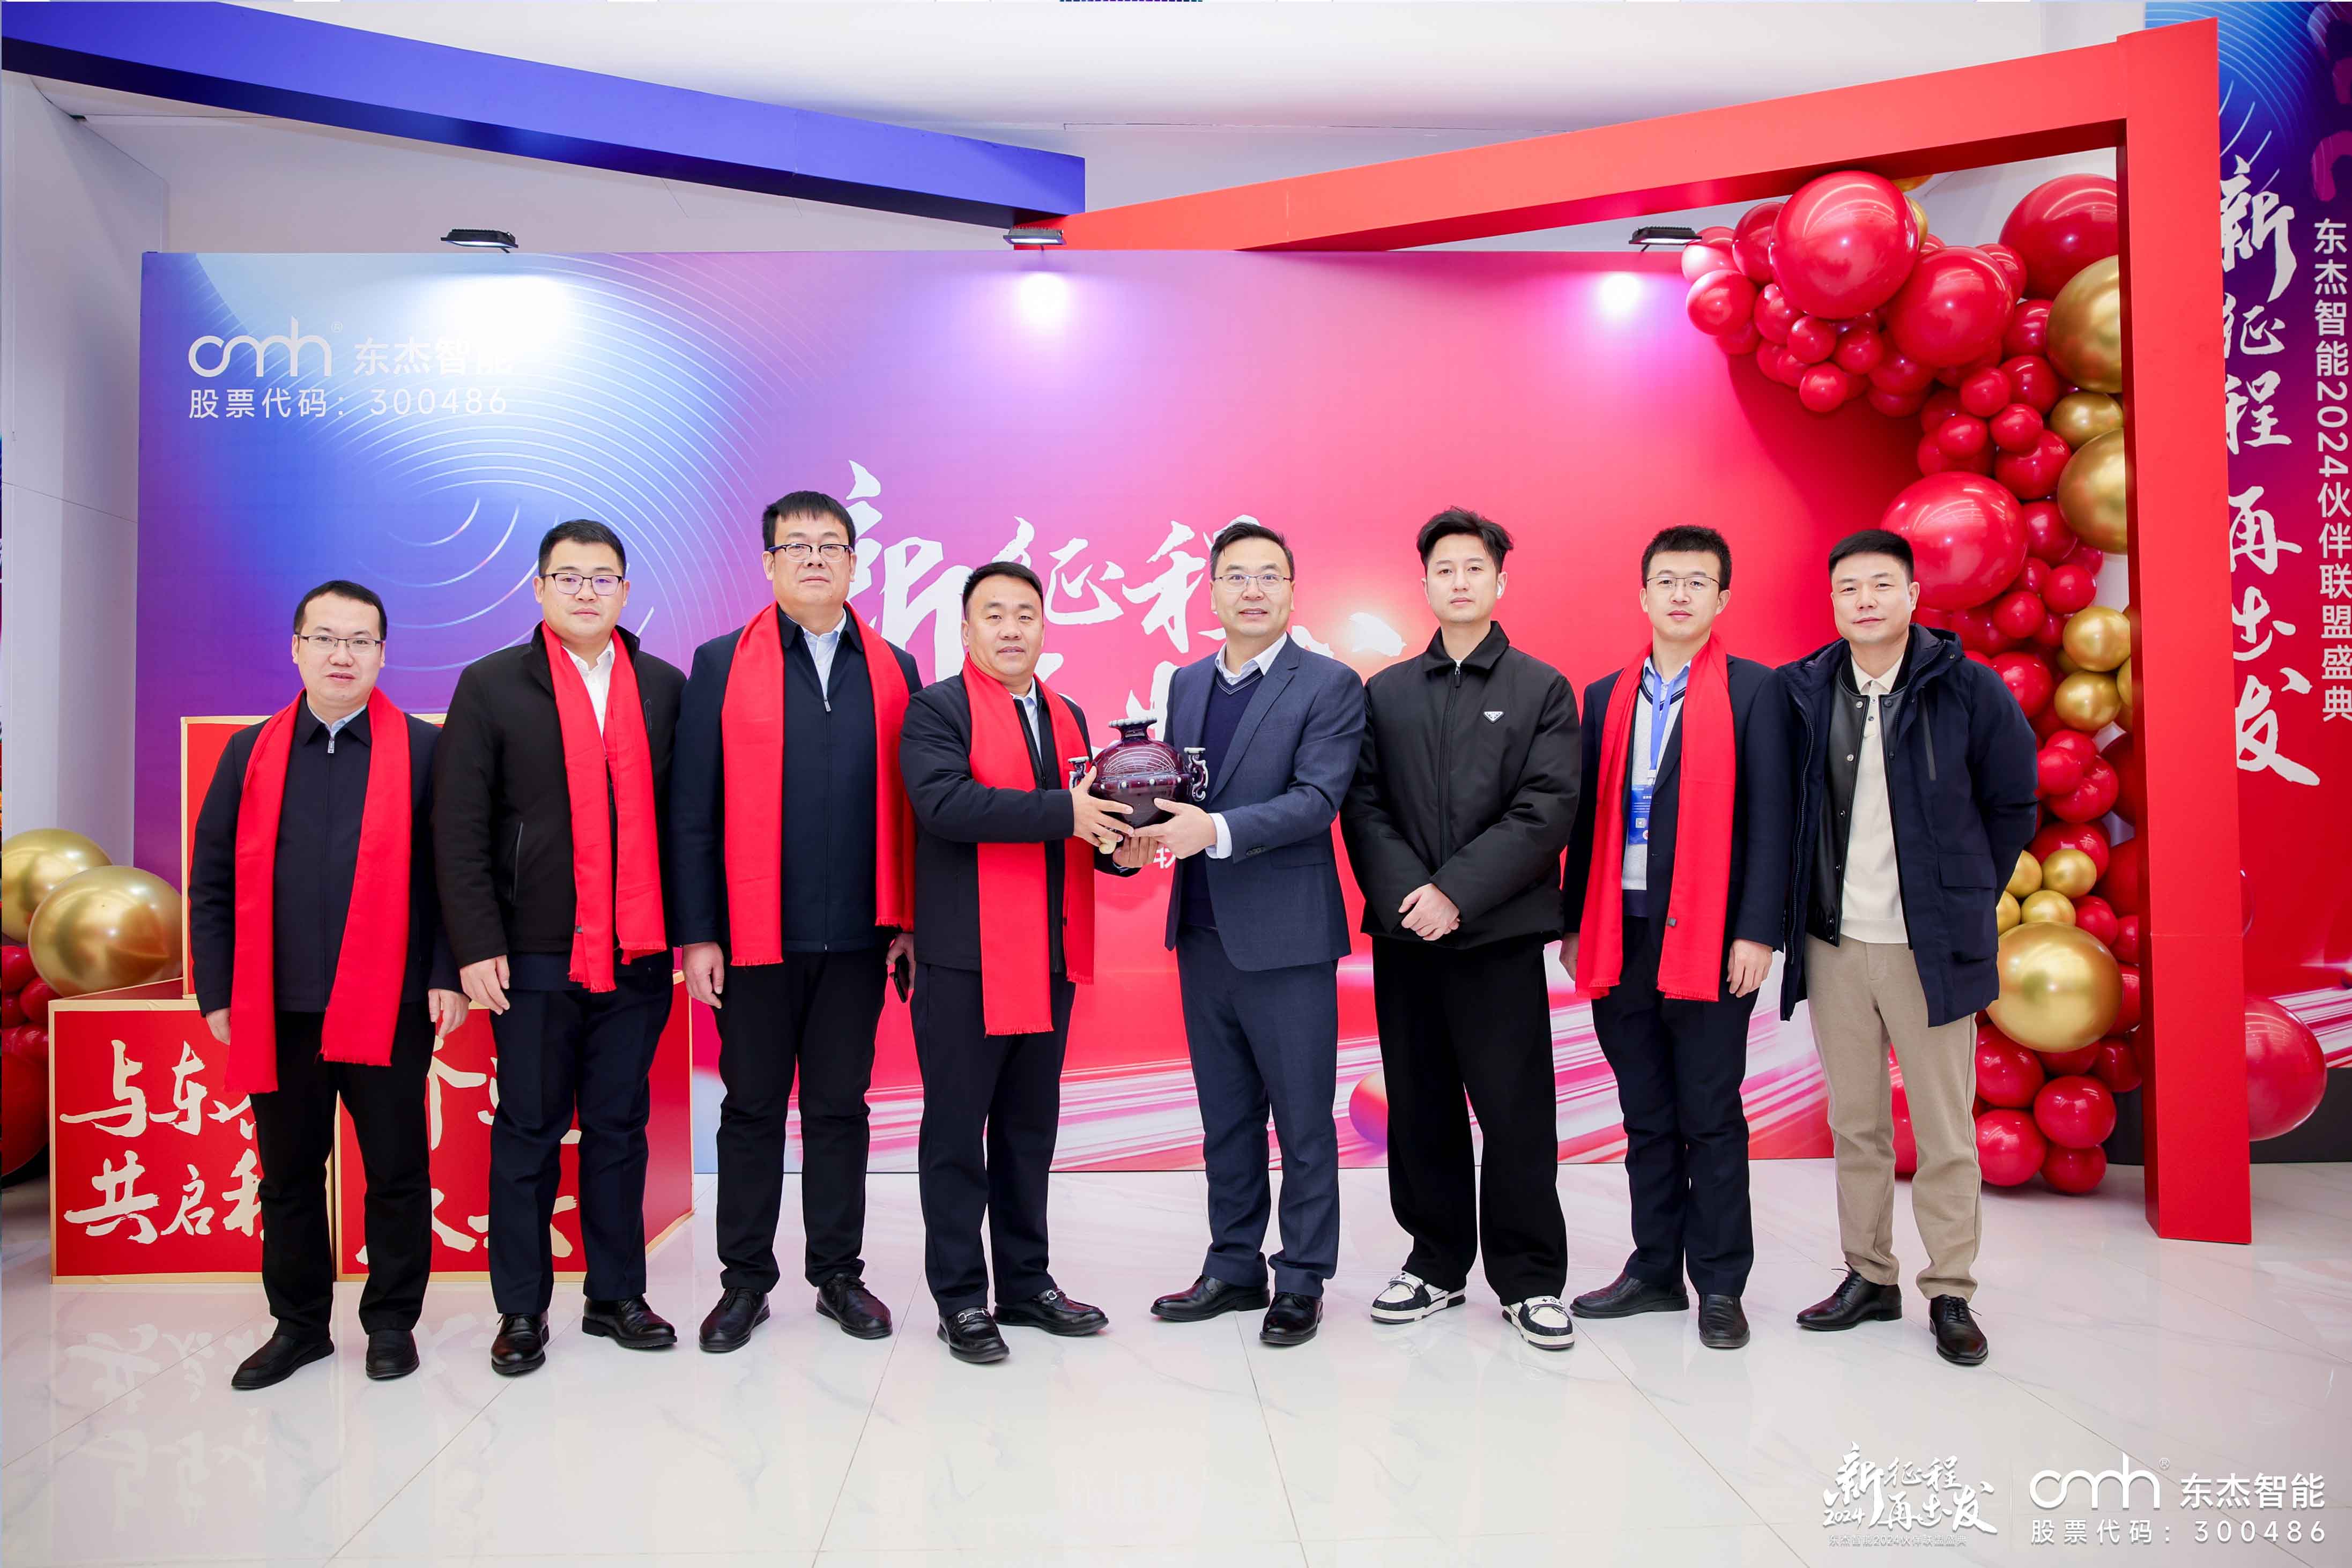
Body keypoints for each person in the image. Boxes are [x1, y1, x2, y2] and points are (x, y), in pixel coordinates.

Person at [190, 579, 465, 1389]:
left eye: (360, 641)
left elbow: (455, 876)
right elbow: (212, 881)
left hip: (391, 1003)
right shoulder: (249, 753)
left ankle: (391, 1323)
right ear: (296, 648)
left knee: (396, 1172)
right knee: (287, 1177)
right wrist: (218, 992)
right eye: (325, 638)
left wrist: (445, 973)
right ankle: (300, 1325)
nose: (342, 655)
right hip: (276, 1007)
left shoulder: (424, 751)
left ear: (382, 653)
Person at [435, 519, 688, 1376]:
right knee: (529, 1129)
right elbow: (459, 826)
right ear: (539, 587)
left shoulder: (663, 686)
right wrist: (476, 942)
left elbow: (686, 821)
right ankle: (521, 1307)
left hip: (637, 951)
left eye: (602, 577)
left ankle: (617, 1295)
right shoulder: (491, 684)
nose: (586, 591)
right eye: (569, 576)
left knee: (619, 1126)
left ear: (625, 591)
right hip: (532, 954)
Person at [1779, 528, 2037, 1366]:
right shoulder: (1807, 690)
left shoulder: (1968, 688)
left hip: (1931, 948)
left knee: (1944, 1127)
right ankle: (1870, 1275)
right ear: (1833, 602)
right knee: (1856, 1123)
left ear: (1914, 596)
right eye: (1848, 587)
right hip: (1835, 942)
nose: (1865, 601)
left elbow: (2013, 802)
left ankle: (1951, 1288)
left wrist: (1963, 895)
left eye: (1881, 585)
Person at [672, 492, 921, 1351]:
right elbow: (692, 808)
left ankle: (838, 1274)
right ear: (769, 563)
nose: (815, 557)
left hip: (858, 933)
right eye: (797, 545)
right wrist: (699, 932)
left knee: (840, 1108)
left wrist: (908, 920)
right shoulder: (720, 663)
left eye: (831, 545)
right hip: (753, 937)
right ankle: (744, 1281)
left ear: (854, 563)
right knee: (750, 1107)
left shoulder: (895, 666)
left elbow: (912, 807)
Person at [1340, 509, 1580, 1349]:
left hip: (1498, 936)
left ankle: (1530, 1276)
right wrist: (1416, 896)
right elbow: (1363, 805)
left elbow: (1546, 808)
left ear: (1500, 580)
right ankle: (1435, 1262)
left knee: (1516, 1111)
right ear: (1426, 584)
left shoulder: (1542, 689)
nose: (1460, 581)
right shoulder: (1386, 693)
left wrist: (1457, 894)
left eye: (1475, 567)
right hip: (1409, 936)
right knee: (1420, 1105)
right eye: (1445, 569)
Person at [897, 560, 1138, 1364]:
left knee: (1029, 1131)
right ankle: (961, 1297)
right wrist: (1070, 812)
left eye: (1025, 615)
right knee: (956, 1134)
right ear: (966, 629)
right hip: (965, 960)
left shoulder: (1067, 715)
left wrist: (1123, 847)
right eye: (993, 615)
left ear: (1043, 627)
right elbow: (947, 805)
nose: (1010, 629)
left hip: (1049, 954)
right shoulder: (936, 709)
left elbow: (1082, 829)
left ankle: (1027, 1284)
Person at [1137, 521, 1366, 1349]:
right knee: (1226, 1117)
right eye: (1236, 575)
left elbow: (1317, 799)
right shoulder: (1186, 683)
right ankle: (1233, 1264)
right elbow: (1171, 791)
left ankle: (1301, 1276)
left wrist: (1216, 831)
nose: (1253, 590)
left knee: (1302, 1121)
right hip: (1202, 935)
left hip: (1288, 939)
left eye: (1270, 575)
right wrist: (1138, 829)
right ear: (1211, 591)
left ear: (1293, 591)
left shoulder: (1330, 684)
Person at [1562, 525, 1789, 1352]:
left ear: (1722, 597)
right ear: (1644, 594)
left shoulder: (1758, 691)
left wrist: (1757, 930)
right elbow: (1585, 820)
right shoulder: (1604, 697)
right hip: (1619, 931)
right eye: (1667, 580)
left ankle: (1721, 1283)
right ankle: (1655, 1269)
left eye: (1698, 581)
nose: (1682, 594)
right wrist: (1573, 924)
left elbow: (1773, 819)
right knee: (1647, 1114)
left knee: (1712, 1114)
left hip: (1714, 937)